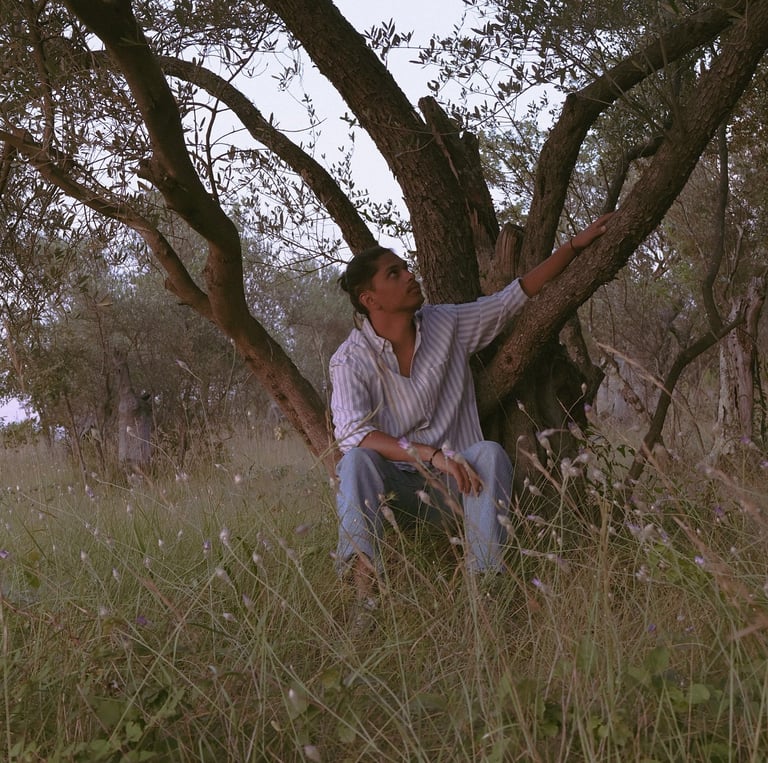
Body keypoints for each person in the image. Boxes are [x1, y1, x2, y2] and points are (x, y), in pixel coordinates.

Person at [329, 215, 612, 608]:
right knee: (356, 461)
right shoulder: (350, 360)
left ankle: (487, 593)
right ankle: (365, 597)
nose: (410, 275)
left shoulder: (447, 324)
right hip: (397, 495)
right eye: (395, 273)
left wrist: (574, 247)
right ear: (370, 300)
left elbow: (513, 297)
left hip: (461, 487)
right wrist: (430, 455)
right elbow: (352, 434)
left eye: (406, 267)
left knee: (489, 453)